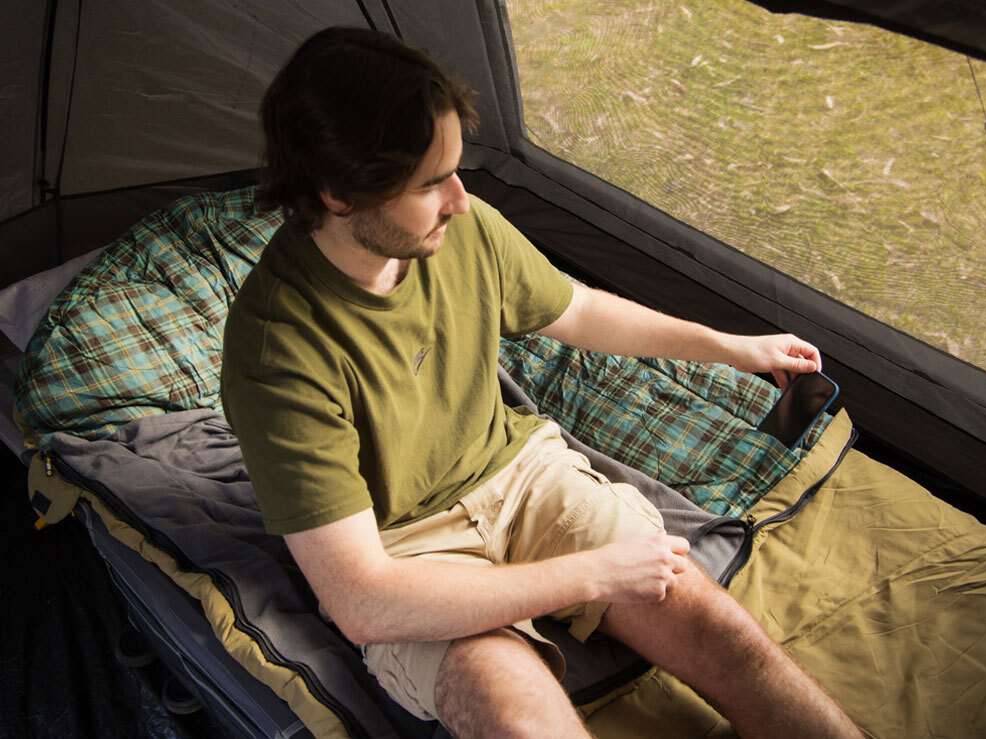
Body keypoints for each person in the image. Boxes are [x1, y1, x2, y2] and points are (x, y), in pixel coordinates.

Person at [221, 26, 862, 739]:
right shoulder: (276, 353)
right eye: (430, 184)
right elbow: (363, 600)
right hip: (407, 551)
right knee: (516, 714)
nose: (460, 200)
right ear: (339, 194)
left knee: (724, 633)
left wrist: (726, 347)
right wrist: (594, 575)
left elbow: (577, 309)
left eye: (455, 171)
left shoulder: (464, 232)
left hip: (523, 476)